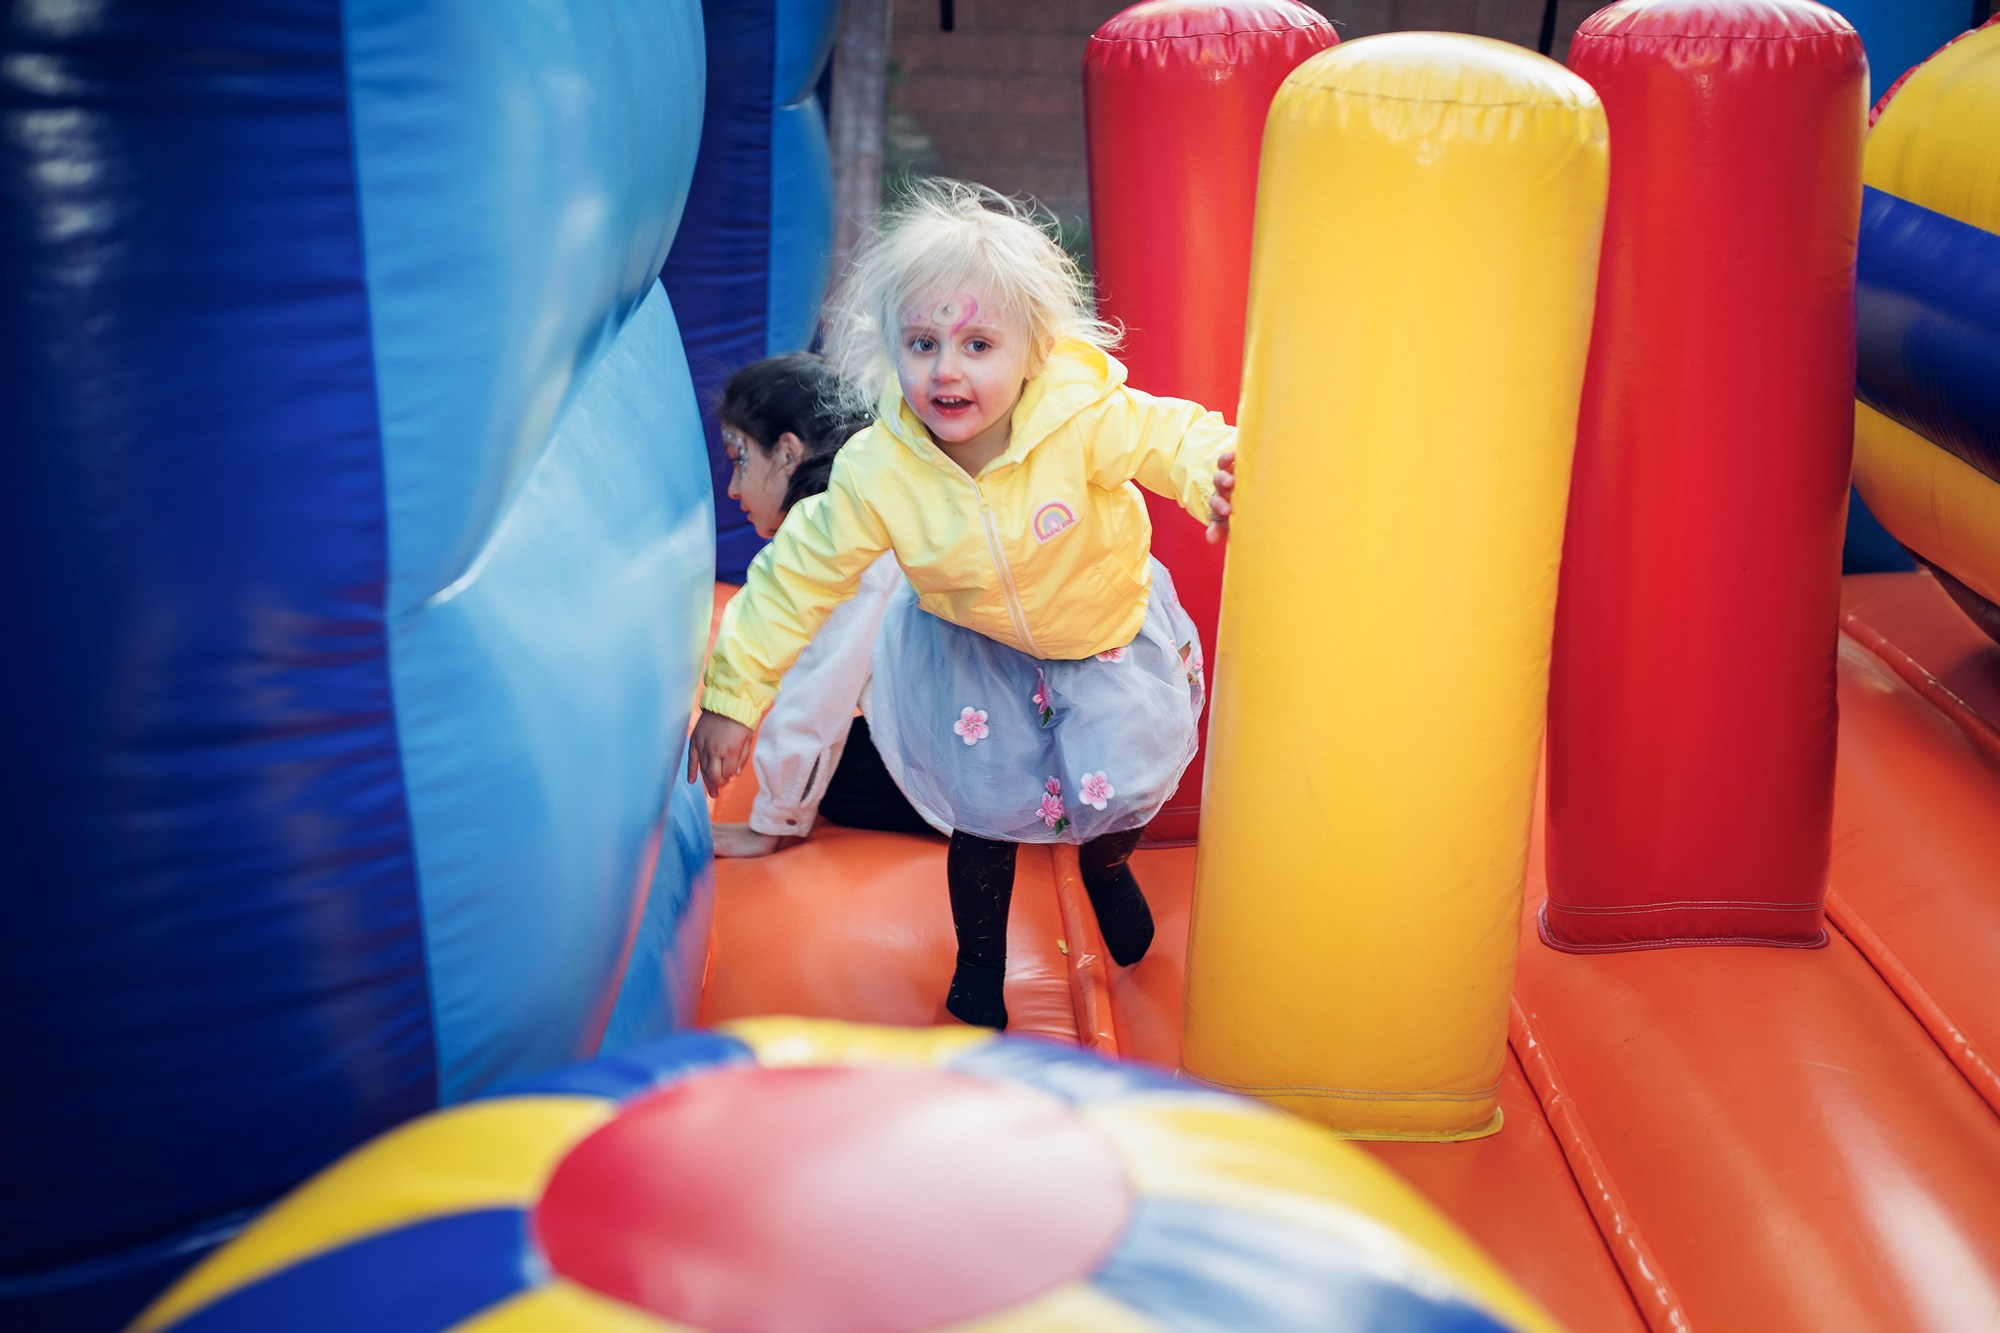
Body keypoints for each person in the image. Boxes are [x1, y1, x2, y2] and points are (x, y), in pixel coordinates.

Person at [690, 180, 1239, 1030]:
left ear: (1033, 351)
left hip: (1096, 635)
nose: (947, 368)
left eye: (978, 342)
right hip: (971, 651)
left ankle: (1107, 865)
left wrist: (1214, 473)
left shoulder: (1080, 418)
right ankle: (979, 960)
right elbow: (795, 578)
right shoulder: (882, 469)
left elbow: (1167, 434)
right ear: (892, 351)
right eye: (922, 341)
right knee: (982, 815)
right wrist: (733, 697)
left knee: (1120, 785)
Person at [710, 353, 941, 857]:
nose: (731, 488)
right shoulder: (886, 499)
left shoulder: (845, 544)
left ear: (789, 453)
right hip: (1025, 746)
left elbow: (818, 694)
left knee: (838, 777)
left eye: (740, 458)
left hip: (993, 778)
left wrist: (775, 820)